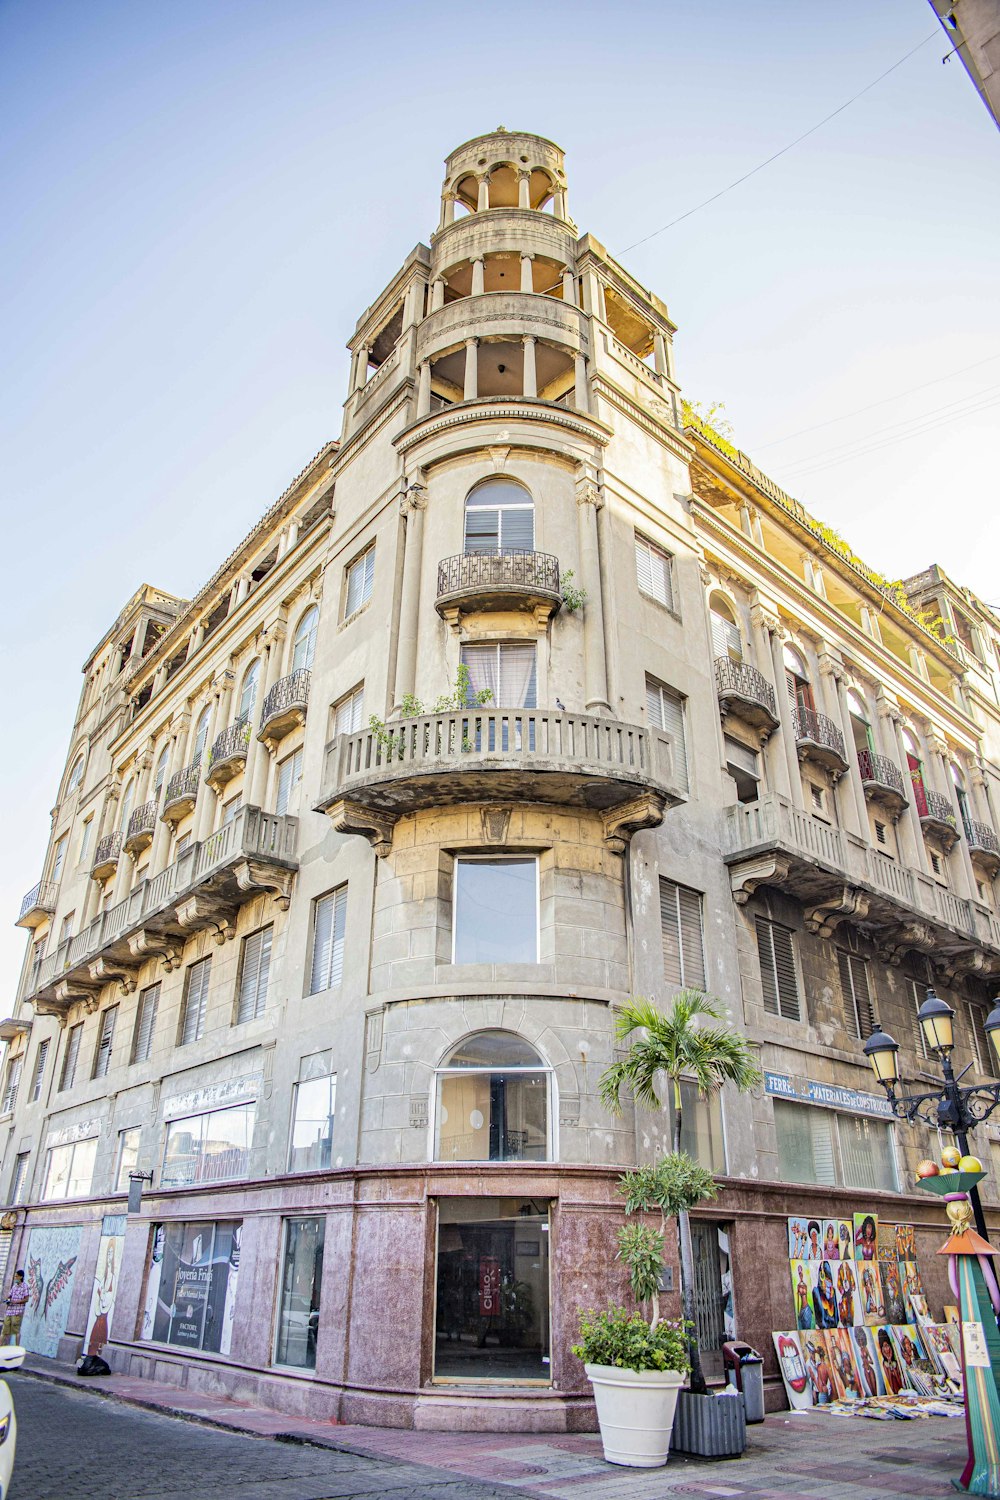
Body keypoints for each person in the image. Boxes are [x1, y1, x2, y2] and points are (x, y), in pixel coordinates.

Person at [2, 1271, 28, 1345]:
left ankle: (17, 1349)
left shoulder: (25, 1287)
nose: (15, 1278)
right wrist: (8, 1300)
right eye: (15, 1276)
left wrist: (15, 1302)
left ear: (21, 1277)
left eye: (16, 1276)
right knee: (4, 1331)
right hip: (9, 1311)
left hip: (17, 1312)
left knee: (16, 1331)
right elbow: (9, 1296)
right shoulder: (14, 1286)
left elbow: (26, 1299)